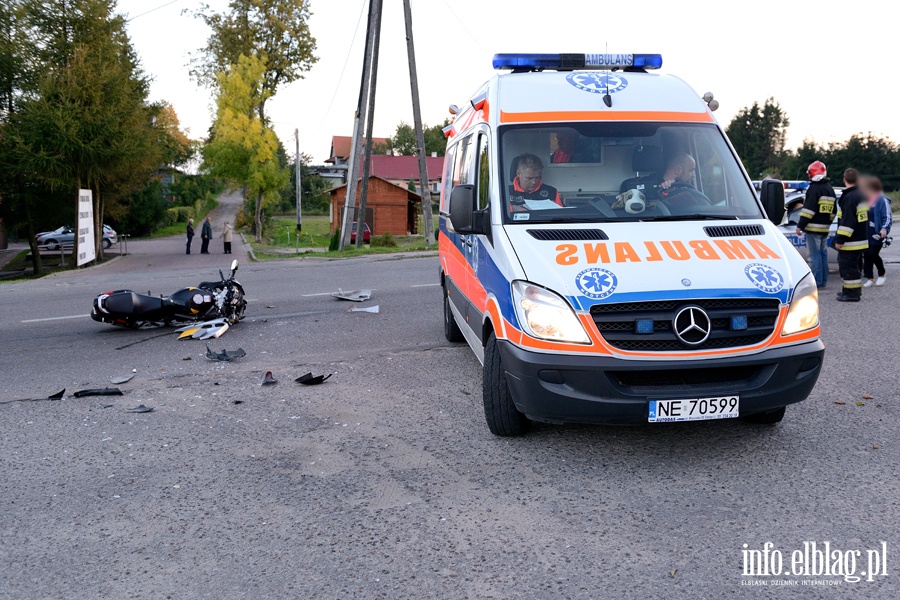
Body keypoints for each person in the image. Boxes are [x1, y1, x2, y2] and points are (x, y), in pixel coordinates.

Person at [795, 160, 837, 289]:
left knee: (814, 256)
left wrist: (800, 225)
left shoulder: (814, 189)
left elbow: (809, 210)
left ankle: (817, 283)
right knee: (823, 254)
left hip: (812, 229)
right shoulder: (829, 189)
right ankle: (823, 281)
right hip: (825, 229)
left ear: (812, 173)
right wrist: (827, 223)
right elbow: (834, 211)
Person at [833, 168, 869, 302]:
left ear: (844, 180)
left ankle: (852, 294)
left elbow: (848, 221)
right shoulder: (860, 195)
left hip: (851, 242)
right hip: (860, 239)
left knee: (848, 267)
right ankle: (848, 291)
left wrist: (840, 239)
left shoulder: (849, 197)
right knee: (853, 267)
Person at [861, 176, 892, 288]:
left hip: (877, 232)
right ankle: (870, 278)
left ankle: (882, 274)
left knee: (873, 253)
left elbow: (887, 217)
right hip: (865, 232)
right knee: (866, 254)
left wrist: (884, 228)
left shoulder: (882, 200)